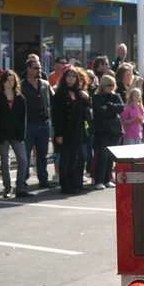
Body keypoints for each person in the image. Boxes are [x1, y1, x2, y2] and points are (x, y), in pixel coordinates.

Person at [51, 66, 91, 194]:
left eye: (74, 76)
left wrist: (87, 98)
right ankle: (65, 185)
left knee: (77, 158)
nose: (71, 78)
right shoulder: (59, 94)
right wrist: (58, 134)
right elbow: (56, 115)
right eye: (69, 76)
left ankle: (76, 183)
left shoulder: (80, 93)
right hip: (65, 130)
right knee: (66, 159)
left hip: (78, 130)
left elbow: (86, 112)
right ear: (64, 78)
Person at [22, 58, 54, 189]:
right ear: (28, 69)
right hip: (28, 125)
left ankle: (43, 179)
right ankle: (22, 181)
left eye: (40, 68)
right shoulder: (22, 85)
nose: (39, 70)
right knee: (25, 155)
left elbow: (53, 99)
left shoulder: (45, 84)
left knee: (42, 154)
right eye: (36, 68)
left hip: (44, 124)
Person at [0, 70, 32, 198]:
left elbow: (23, 118)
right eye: (7, 80)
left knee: (23, 160)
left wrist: (22, 134)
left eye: (12, 80)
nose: (10, 82)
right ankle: (7, 188)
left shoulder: (20, 98)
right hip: (2, 135)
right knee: (5, 162)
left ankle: (20, 188)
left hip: (17, 134)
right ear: (3, 81)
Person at [92, 74, 124, 190]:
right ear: (103, 85)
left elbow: (121, 108)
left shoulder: (116, 96)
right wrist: (112, 109)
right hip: (102, 131)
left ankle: (107, 179)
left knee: (111, 156)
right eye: (108, 85)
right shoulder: (97, 97)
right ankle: (99, 180)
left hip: (115, 130)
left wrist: (110, 106)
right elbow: (100, 111)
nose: (111, 87)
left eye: (112, 85)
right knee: (102, 156)